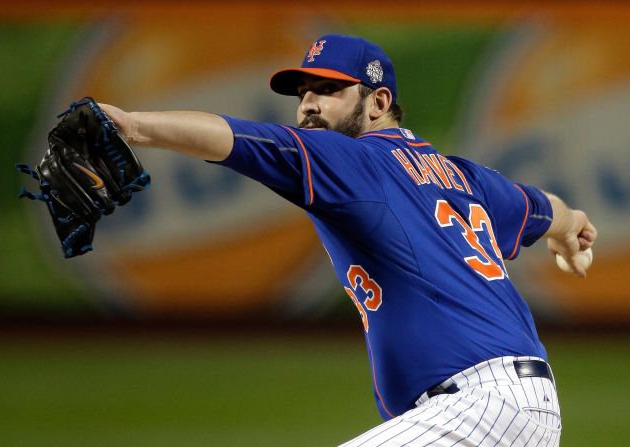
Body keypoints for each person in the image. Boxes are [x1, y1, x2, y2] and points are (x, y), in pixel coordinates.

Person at [100, 34, 597, 446]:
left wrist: (132, 126)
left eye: (329, 89)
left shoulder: (354, 161)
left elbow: (240, 140)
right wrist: (571, 228)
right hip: (512, 408)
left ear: (378, 102)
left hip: (479, 409)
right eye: (302, 93)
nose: (309, 103)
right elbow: (540, 207)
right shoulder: (461, 176)